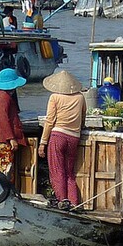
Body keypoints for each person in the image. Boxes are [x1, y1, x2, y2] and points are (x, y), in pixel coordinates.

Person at [38, 68, 87, 209]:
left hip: (58, 135)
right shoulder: (80, 97)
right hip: (74, 137)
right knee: (69, 172)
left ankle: (62, 200)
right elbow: (83, 118)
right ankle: (74, 202)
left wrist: (43, 142)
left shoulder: (55, 97)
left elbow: (50, 121)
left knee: (57, 170)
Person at [0, 67, 29, 181]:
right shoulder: (4, 97)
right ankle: (3, 194)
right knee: (5, 170)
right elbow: (3, 118)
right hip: (1, 138)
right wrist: (11, 138)